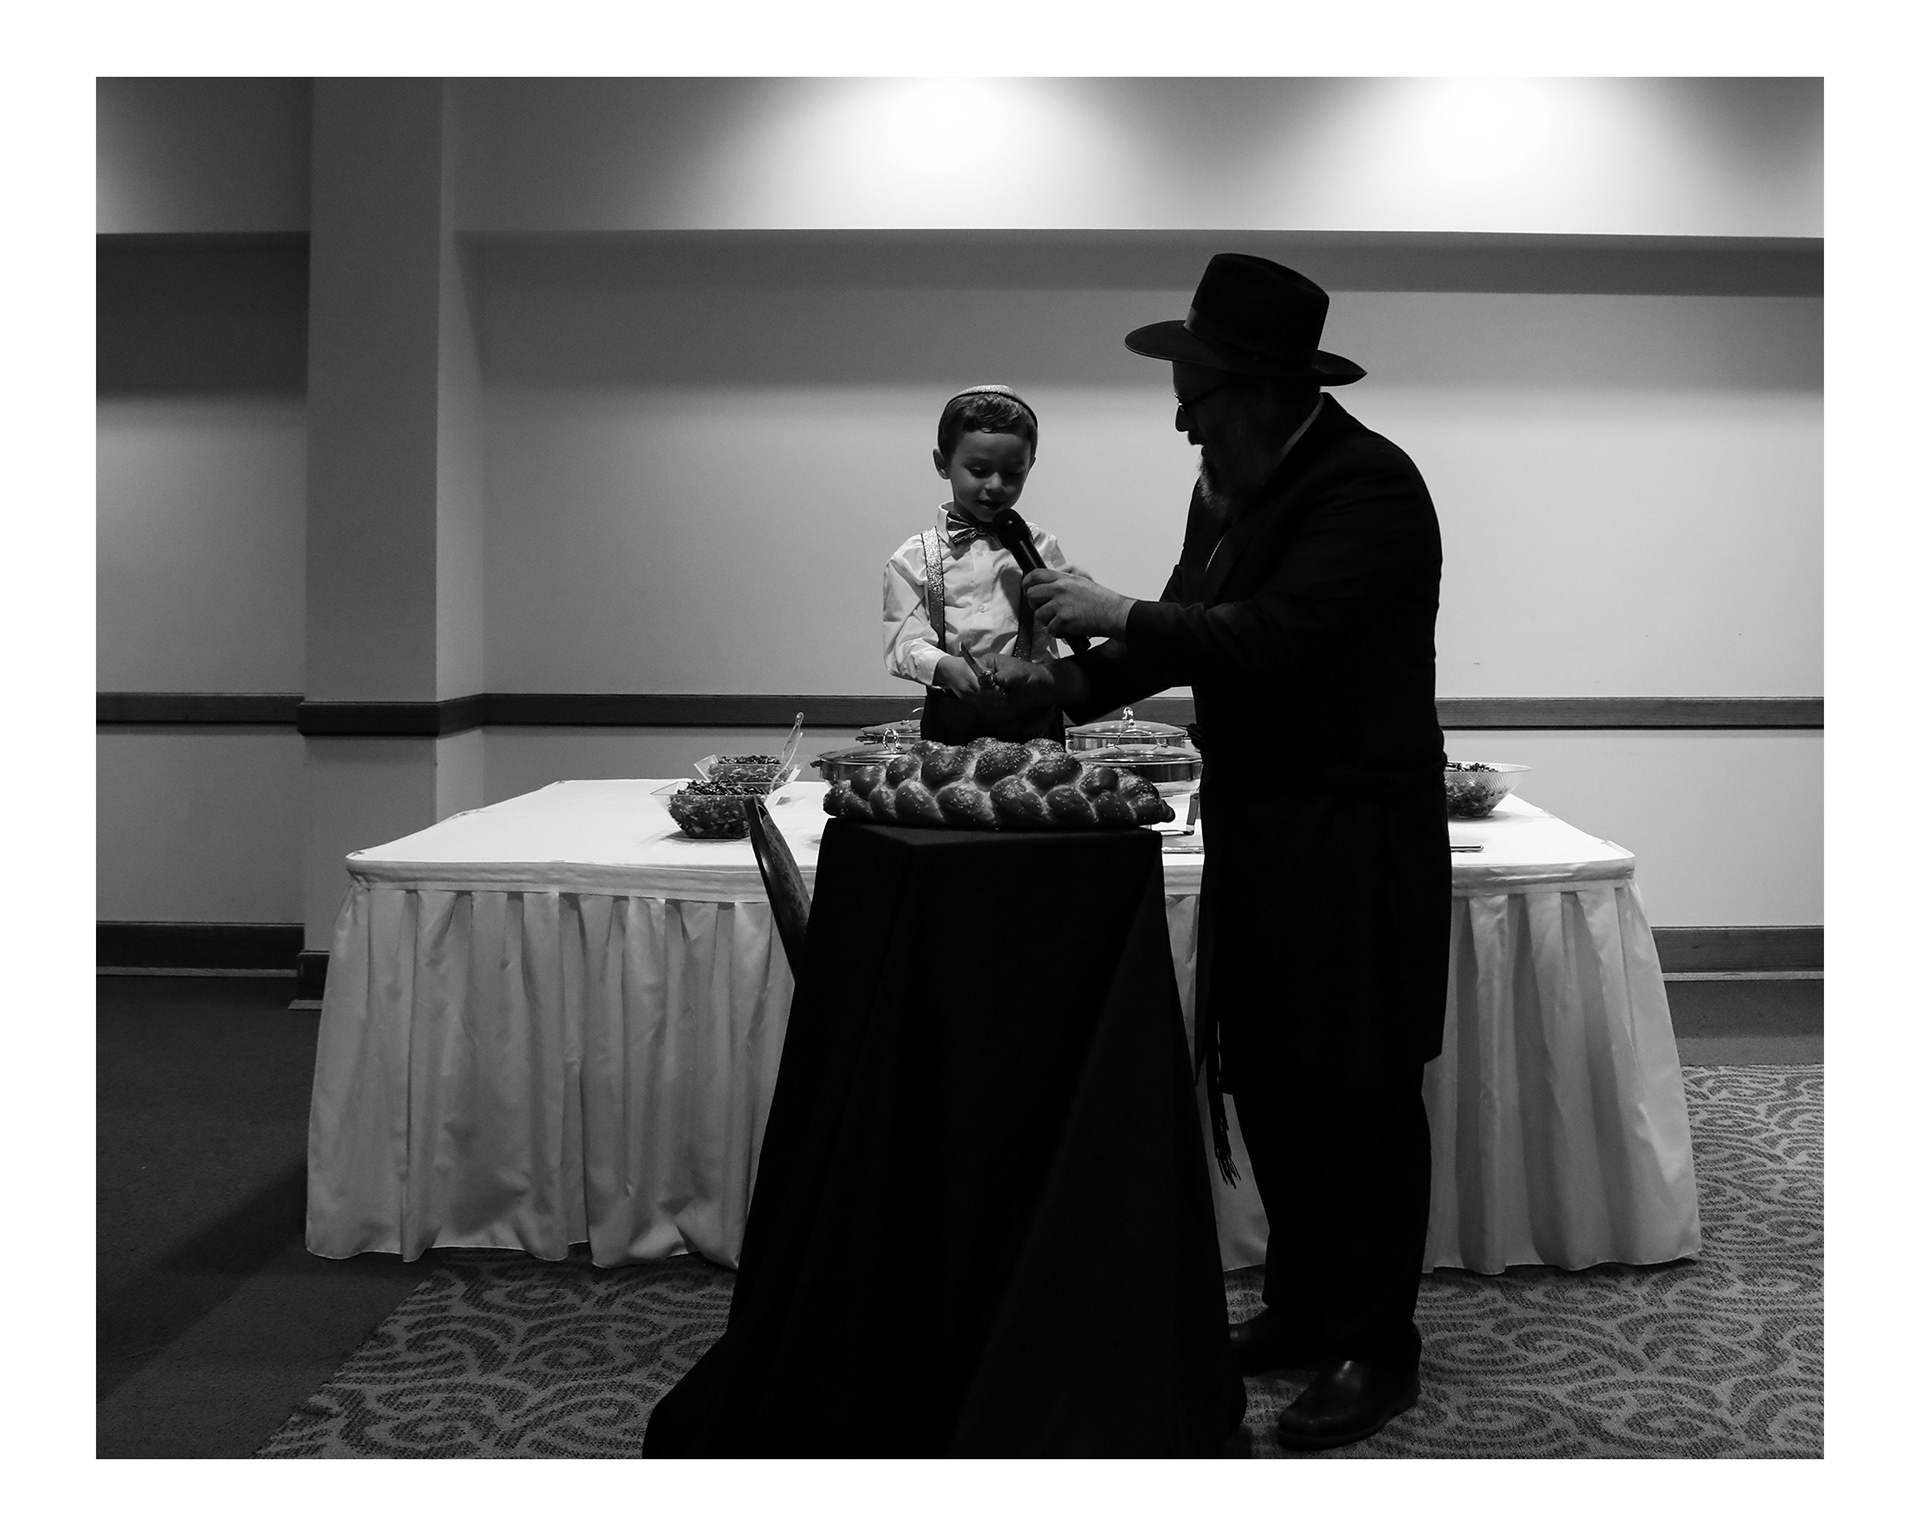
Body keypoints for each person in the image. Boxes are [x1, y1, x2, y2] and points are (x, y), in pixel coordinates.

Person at [989, 254, 1452, 1452]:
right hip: (1264, 825)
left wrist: (1121, 615)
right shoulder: (1227, 486)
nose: (1181, 415)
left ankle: (1376, 1346)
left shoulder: (1372, 487)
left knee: (1358, 1093)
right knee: (1276, 1078)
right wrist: (1050, 693)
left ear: (1255, 389)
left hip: (1355, 835)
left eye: (1194, 391)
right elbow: (1181, 635)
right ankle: (1305, 1308)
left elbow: (1279, 638)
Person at [881, 385, 1090, 745]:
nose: (996, 486)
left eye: (1012, 473)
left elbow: (1059, 633)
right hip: (951, 719)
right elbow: (904, 642)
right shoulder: (912, 558)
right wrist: (945, 668)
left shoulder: (1041, 546)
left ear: (1030, 466)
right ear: (942, 463)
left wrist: (1078, 605)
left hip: (1033, 716)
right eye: (978, 470)